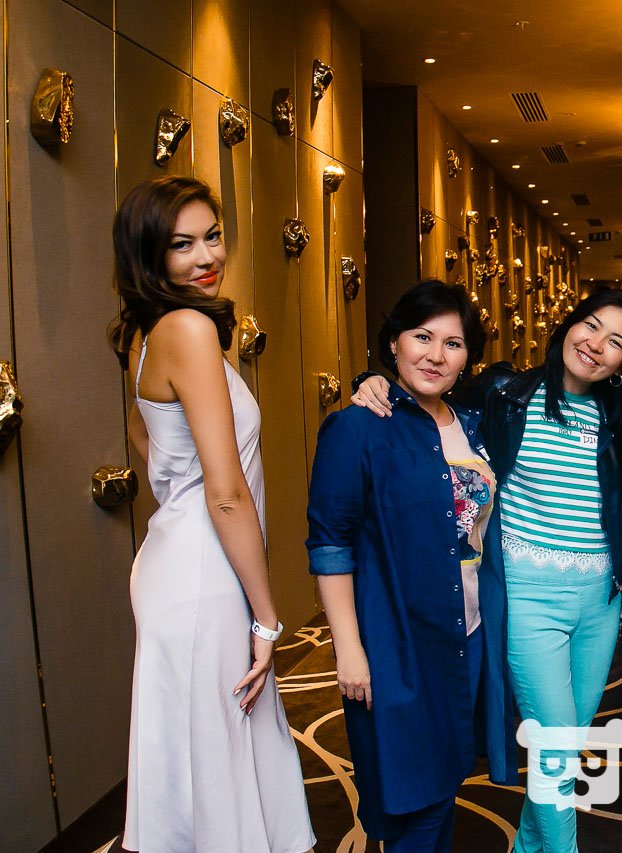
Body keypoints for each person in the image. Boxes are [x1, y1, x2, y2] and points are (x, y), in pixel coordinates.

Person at [352, 288, 622, 852]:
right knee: (556, 747)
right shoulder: (503, 394)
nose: (596, 345)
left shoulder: (621, 415)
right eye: (591, 326)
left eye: (616, 342)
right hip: (528, 596)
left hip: (600, 601)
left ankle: (527, 847)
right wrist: (372, 381)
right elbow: (427, 390)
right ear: (568, 326)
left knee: (565, 744)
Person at [109, 176, 314, 852]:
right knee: (221, 760)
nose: (207, 256)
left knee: (199, 764)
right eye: (182, 244)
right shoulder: (191, 329)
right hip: (206, 573)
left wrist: (179, 495)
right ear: (149, 254)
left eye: (213, 236)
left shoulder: (145, 331)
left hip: (174, 563)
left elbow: (144, 438)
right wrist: (267, 615)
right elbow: (226, 493)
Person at [307, 281, 517, 851]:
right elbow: (330, 544)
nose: (435, 355)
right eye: (422, 337)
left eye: (453, 343)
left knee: (445, 783)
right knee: (409, 798)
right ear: (394, 342)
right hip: (396, 642)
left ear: (468, 357)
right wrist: (349, 649)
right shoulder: (358, 427)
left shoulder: (473, 423)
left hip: (467, 633)